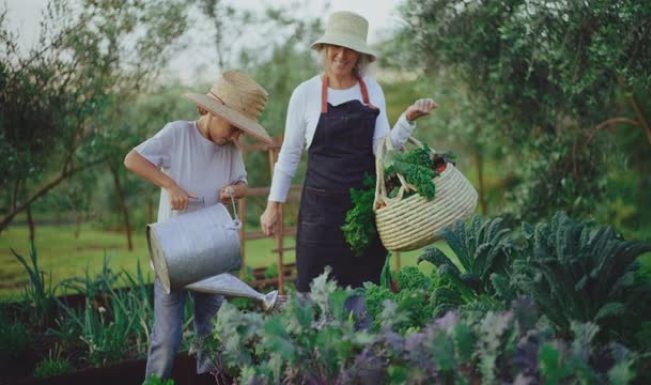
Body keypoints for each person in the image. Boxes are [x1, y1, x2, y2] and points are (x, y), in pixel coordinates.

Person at [260, 11, 438, 294]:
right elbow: (290, 155)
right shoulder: (304, 94)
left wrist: (408, 118)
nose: (342, 55)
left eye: (350, 50)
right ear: (325, 49)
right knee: (315, 294)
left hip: (363, 212)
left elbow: (384, 151)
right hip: (319, 216)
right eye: (336, 47)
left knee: (364, 292)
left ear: (359, 56)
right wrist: (273, 205)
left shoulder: (372, 90)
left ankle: (367, 339)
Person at [124, 71, 271, 381]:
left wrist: (232, 191)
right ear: (213, 112)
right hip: (173, 255)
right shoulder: (177, 134)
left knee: (212, 333)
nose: (234, 137)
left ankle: (211, 380)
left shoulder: (230, 150)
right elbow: (132, 159)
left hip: (213, 255)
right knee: (167, 340)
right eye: (233, 127)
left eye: (240, 132)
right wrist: (170, 185)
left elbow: (242, 184)